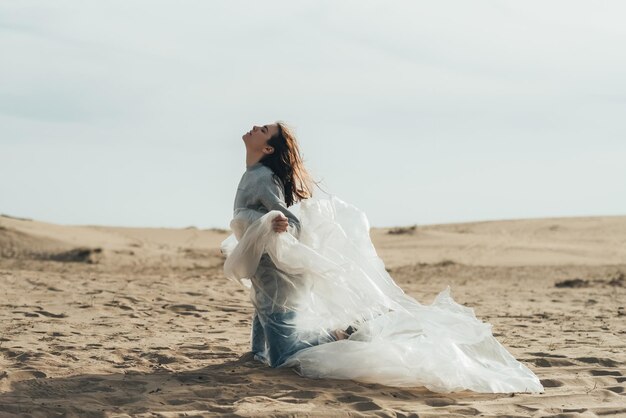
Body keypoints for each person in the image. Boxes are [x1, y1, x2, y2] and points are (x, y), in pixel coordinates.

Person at [221, 121, 544, 394]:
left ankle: (340, 334)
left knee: (283, 357)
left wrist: (269, 222)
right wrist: (259, 220)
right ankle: (256, 352)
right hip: (268, 269)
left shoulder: (261, 177)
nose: (254, 128)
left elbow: (291, 222)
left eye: (263, 129)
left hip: (279, 275)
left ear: (267, 149)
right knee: (261, 317)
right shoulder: (257, 173)